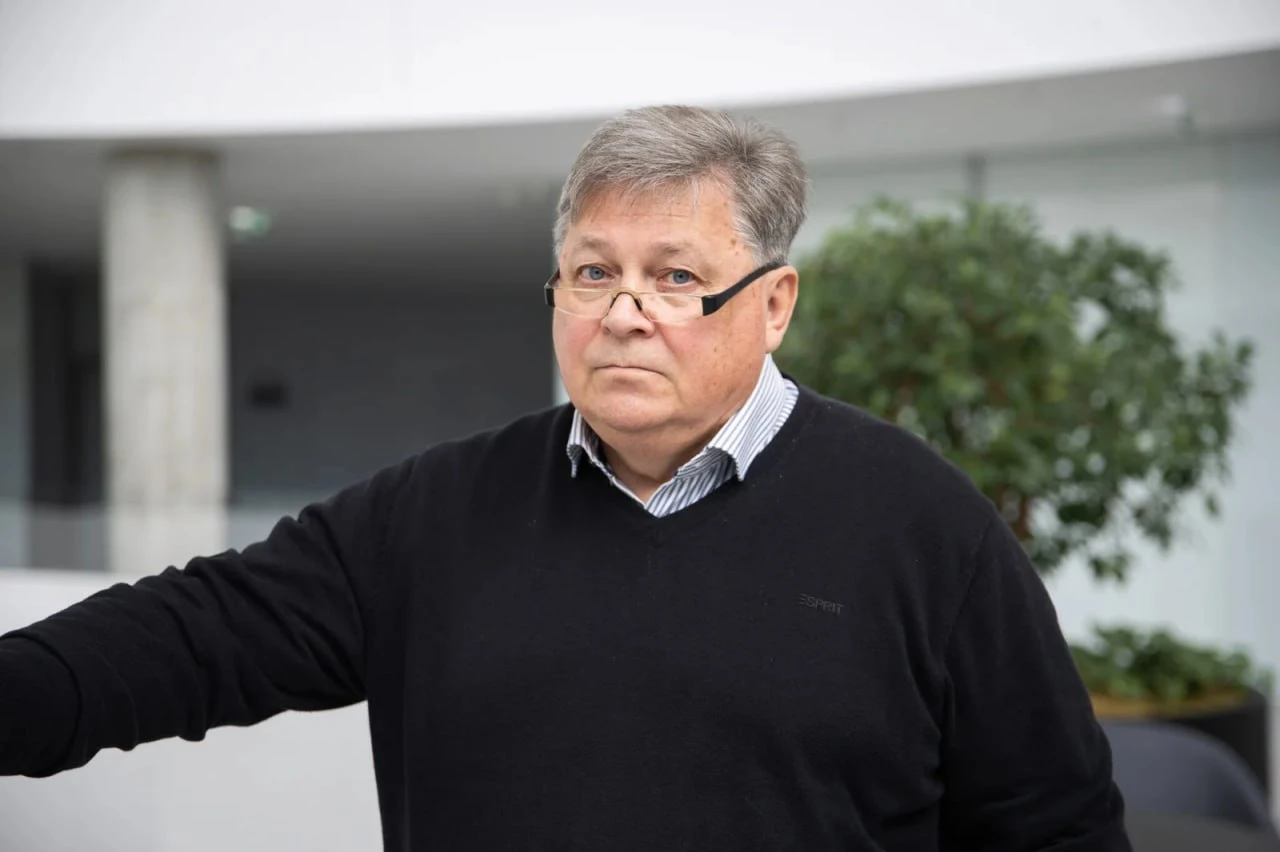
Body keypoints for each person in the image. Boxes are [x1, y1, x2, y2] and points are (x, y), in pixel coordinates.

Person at [0, 104, 1131, 851]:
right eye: (593, 272)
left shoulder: (926, 529)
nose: (624, 311)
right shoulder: (430, 516)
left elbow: (1054, 827)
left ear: (773, 304)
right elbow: (192, 634)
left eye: (674, 276)